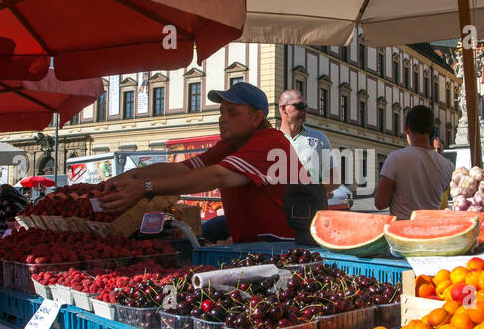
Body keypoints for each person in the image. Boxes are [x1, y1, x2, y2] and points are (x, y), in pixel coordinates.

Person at [99, 82, 303, 243]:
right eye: (221, 112)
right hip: (256, 245)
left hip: (285, 245)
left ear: (257, 118)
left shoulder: (269, 142)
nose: (222, 119)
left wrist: (147, 187)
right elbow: (181, 168)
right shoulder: (229, 146)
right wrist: (130, 176)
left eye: (232, 113)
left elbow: (217, 176)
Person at [374, 104, 455, 219]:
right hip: (432, 231)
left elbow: (380, 203)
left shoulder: (395, 158)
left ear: (407, 128)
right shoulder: (448, 166)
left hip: (403, 232)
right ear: (432, 130)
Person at [276, 88, 335, 238]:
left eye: (306, 107)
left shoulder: (319, 138)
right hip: (278, 213)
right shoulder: (271, 139)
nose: (305, 110)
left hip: (313, 214)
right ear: (284, 108)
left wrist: (313, 191)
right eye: (300, 106)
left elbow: (334, 180)